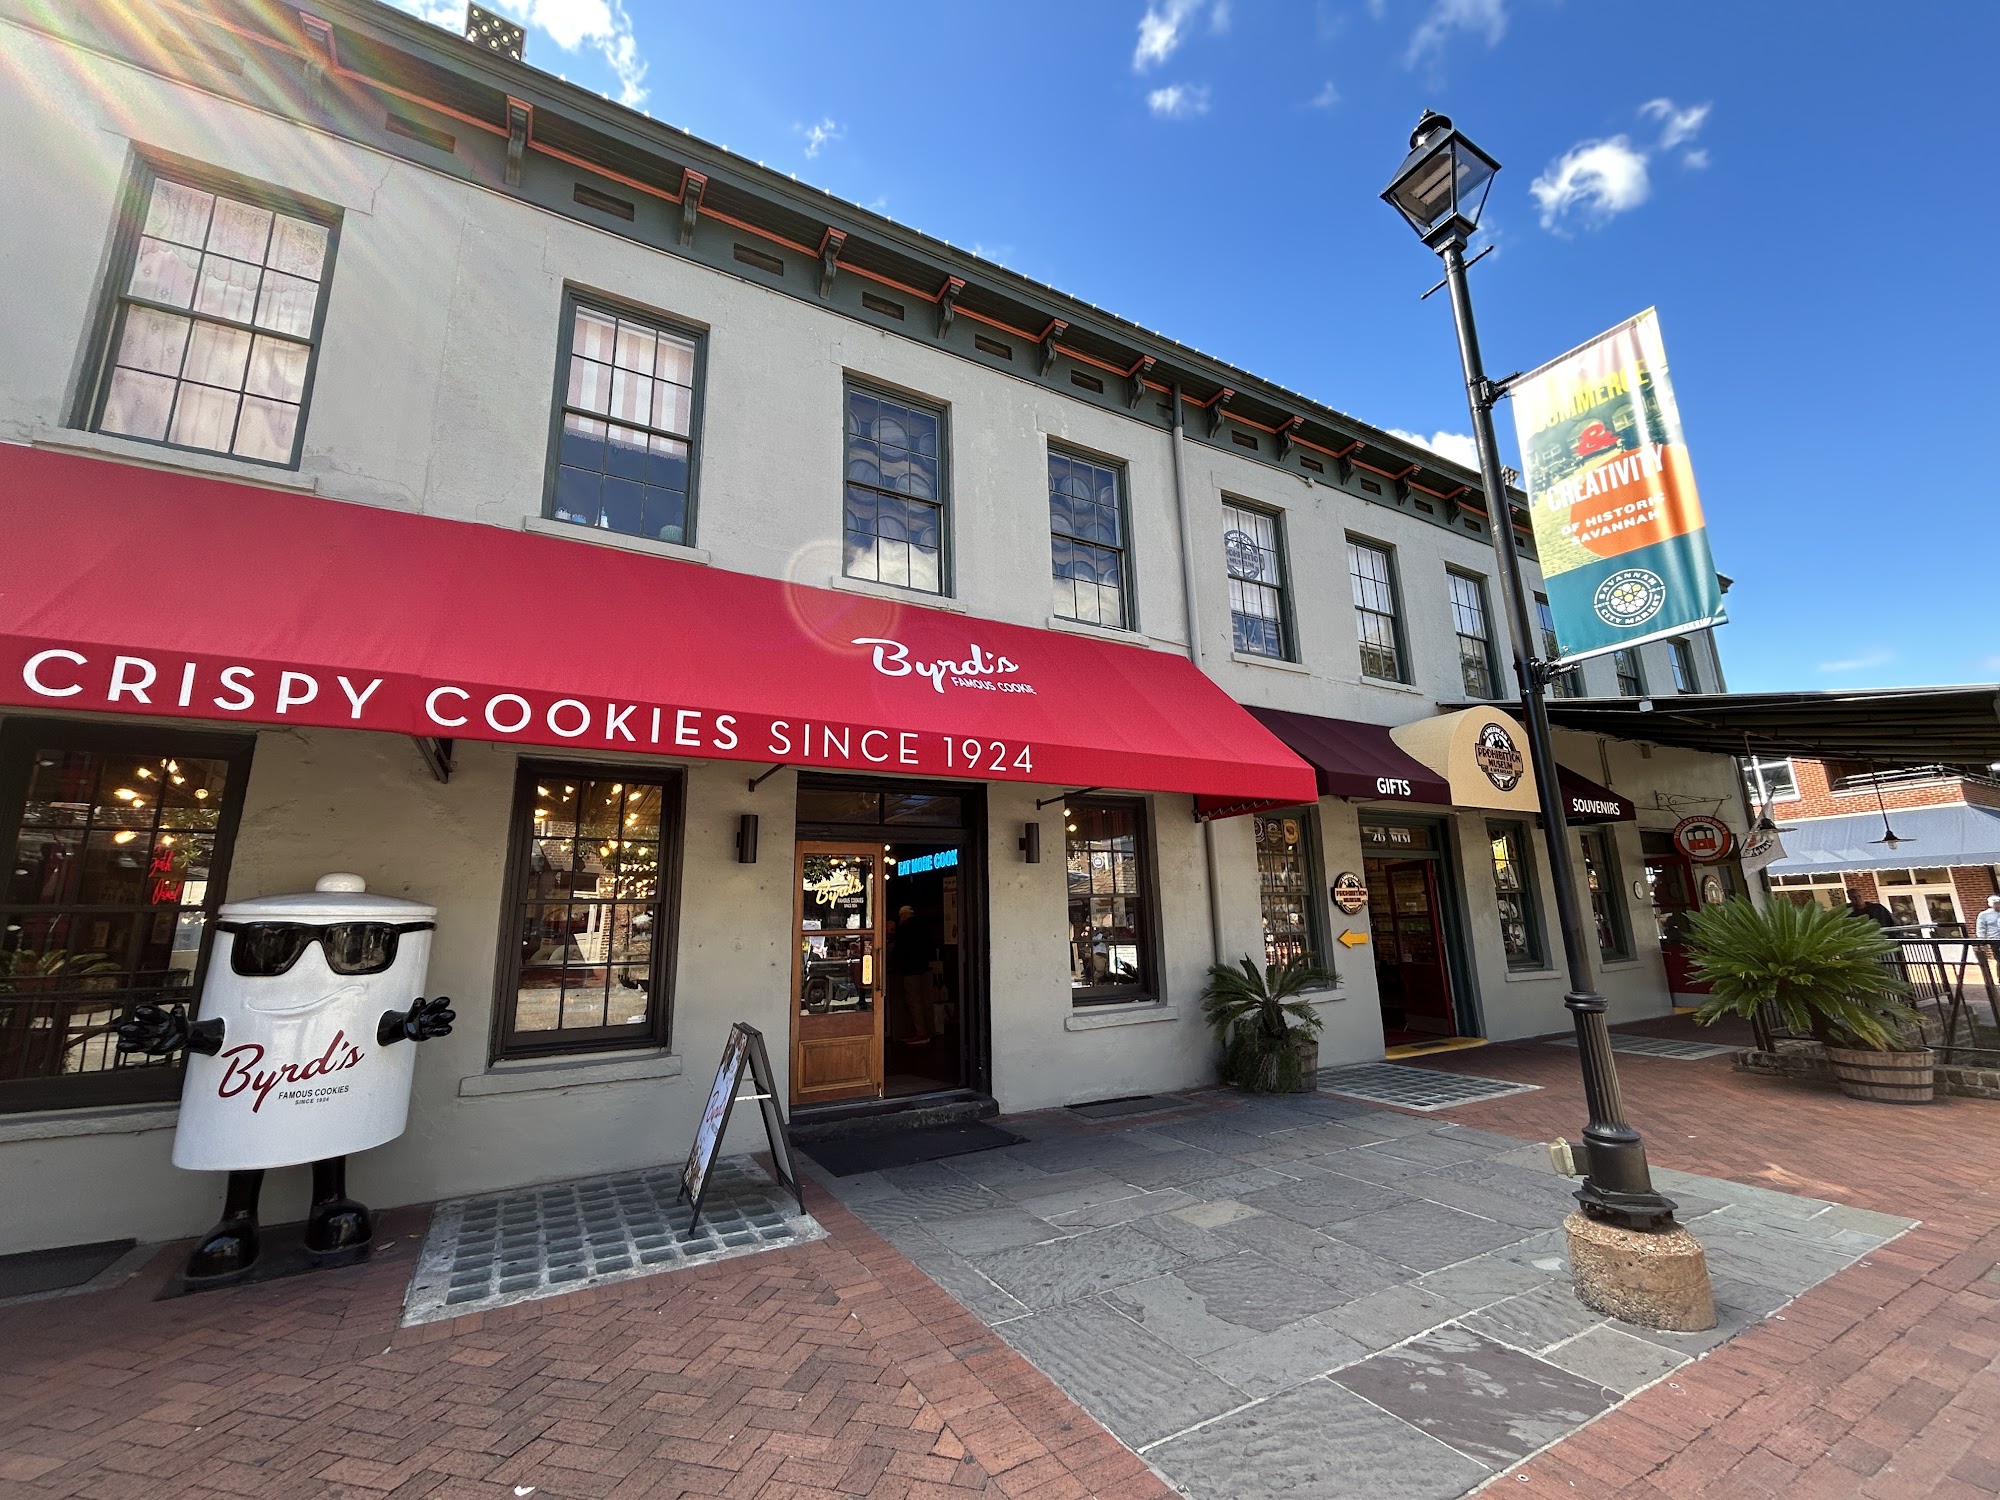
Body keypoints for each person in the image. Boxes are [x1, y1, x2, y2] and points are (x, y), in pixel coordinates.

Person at [887, 902, 931, 1044]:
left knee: (914, 1002)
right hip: (921, 968)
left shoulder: (905, 929)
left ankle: (921, 1033)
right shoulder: (922, 927)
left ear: (903, 916)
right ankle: (922, 1030)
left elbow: (899, 950)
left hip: (910, 969)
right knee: (920, 1000)